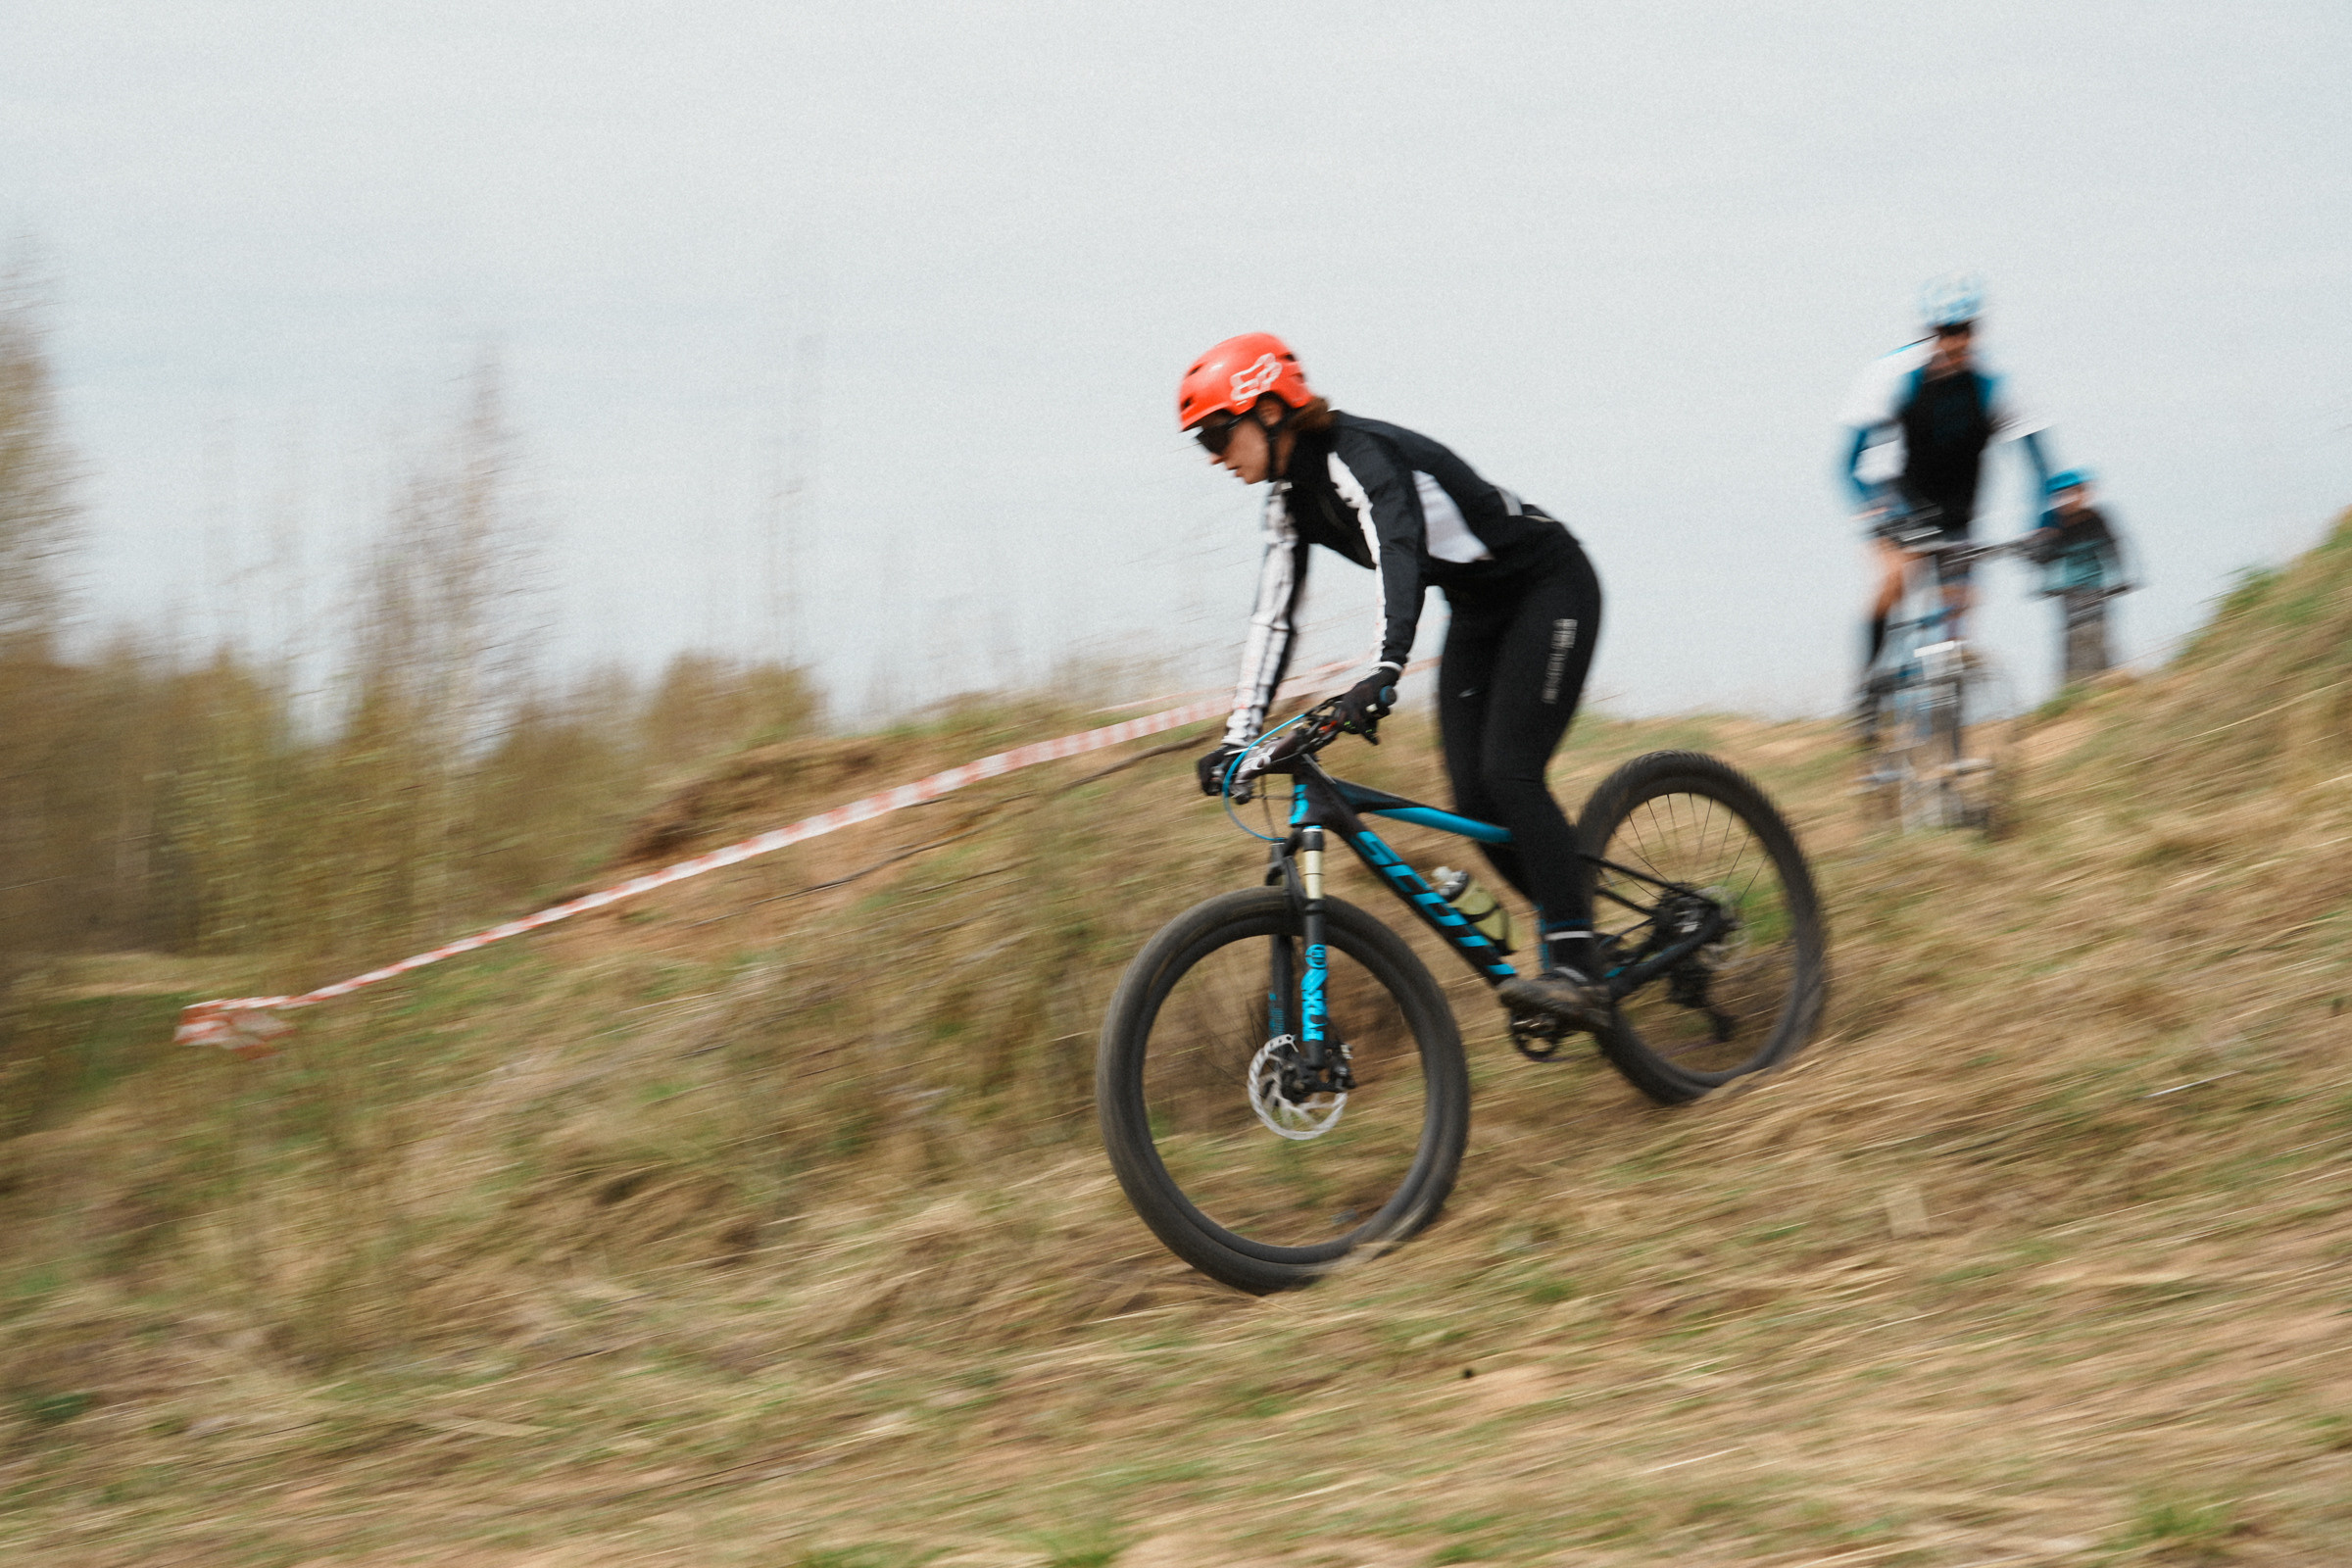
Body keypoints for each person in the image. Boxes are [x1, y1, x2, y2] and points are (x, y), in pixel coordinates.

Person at [1179, 332, 1611, 1030]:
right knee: (1475, 799)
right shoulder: (1287, 502)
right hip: (1476, 610)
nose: (1215, 457)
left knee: (1511, 774)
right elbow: (1273, 618)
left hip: (1549, 586)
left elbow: (1396, 548)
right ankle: (1580, 930)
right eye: (1202, 444)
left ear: (1266, 409)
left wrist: (1385, 666)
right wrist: (1237, 738)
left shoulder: (1359, 456)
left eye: (1217, 436)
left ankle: (1575, 965)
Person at [1840, 276, 2052, 725]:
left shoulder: (1996, 385)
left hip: (1960, 511)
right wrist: (1873, 508)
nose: (1955, 340)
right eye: (1945, 331)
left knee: (1959, 613)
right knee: (1895, 580)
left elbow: (2040, 464)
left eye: (1964, 330)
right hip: (1900, 500)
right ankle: (1868, 685)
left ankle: (1942, 731)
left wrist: (2042, 524)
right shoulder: (1894, 378)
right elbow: (1848, 462)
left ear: (1976, 331)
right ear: (1931, 332)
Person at [2029, 468, 2130, 681]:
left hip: (2096, 586)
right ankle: (2073, 684)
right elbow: (2039, 559)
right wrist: (2037, 544)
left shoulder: (2096, 518)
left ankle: (2105, 678)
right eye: (2061, 495)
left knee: (2098, 631)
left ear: (2084, 493)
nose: (2068, 500)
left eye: (2074, 493)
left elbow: (2113, 547)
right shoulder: (2050, 522)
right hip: (2067, 591)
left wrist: (2120, 578)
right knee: (2073, 635)